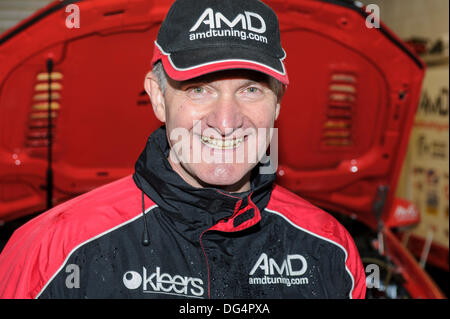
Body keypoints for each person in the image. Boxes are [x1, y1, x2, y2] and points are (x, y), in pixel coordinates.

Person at [0, 0, 366, 299]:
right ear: (158, 98)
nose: (226, 121)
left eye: (251, 89)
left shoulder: (331, 250)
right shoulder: (51, 251)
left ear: (278, 105)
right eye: (199, 89)